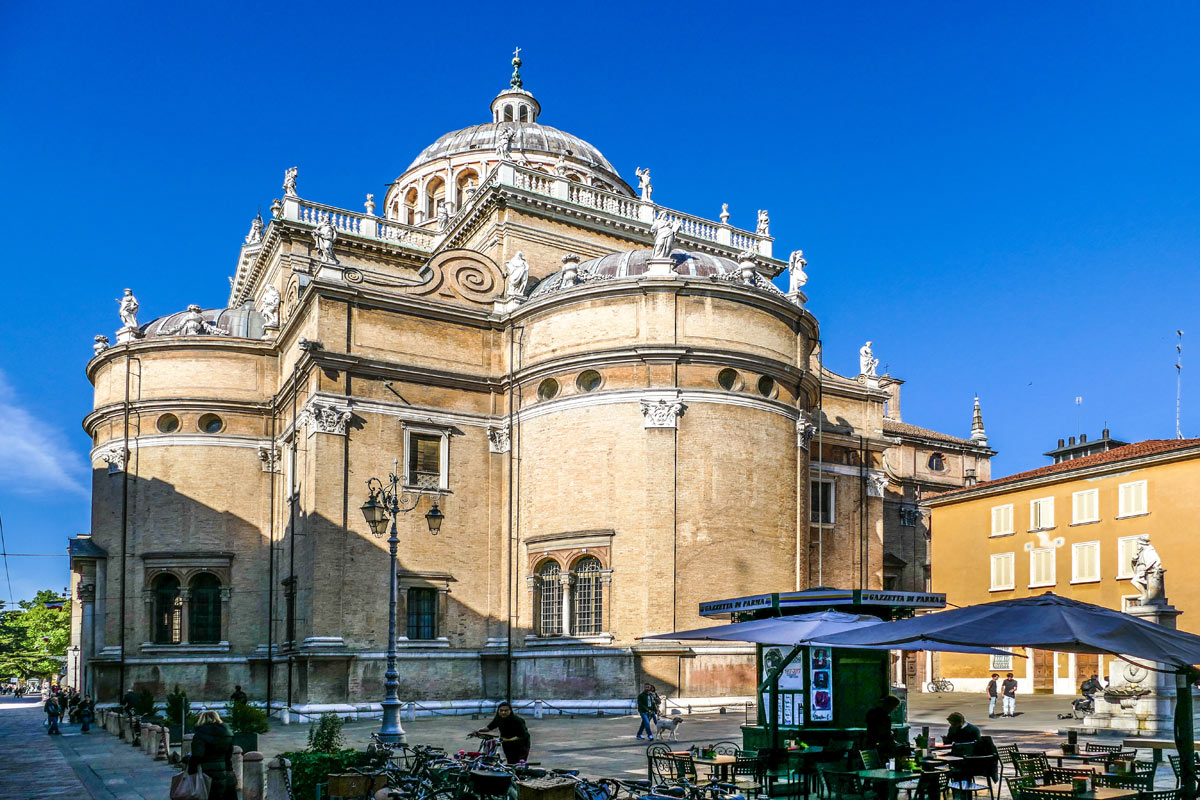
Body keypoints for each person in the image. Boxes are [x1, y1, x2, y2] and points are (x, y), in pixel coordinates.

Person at [188, 710, 238, 800]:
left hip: (205, 772)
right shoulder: (227, 733)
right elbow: (228, 755)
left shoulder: (200, 734)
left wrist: (191, 769)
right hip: (222, 770)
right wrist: (229, 769)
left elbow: (197, 755)